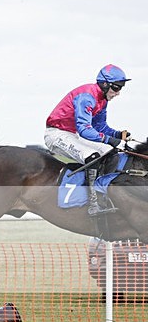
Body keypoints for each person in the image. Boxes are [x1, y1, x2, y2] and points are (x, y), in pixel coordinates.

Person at [44, 64, 131, 215]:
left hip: (73, 134)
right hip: (56, 134)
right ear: (104, 84)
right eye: (116, 88)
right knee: (93, 156)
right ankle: (92, 204)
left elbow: (100, 127)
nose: (118, 93)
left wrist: (117, 135)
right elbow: (84, 129)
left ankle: (103, 194)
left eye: (121, 88)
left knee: (111, 151)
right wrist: (109, 139)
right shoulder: (87, 96)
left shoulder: (102, 100)